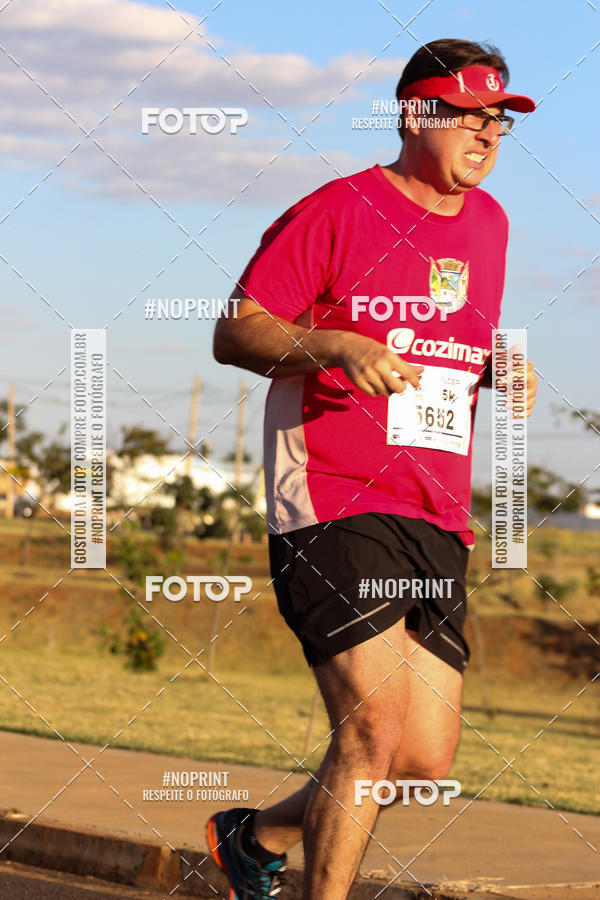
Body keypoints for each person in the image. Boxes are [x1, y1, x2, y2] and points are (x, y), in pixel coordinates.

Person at [206, 37, 538, 900]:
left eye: (499, 118)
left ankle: (258, 837)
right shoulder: (337, 210)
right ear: (414, 114)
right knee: (372, 732)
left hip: (434, 511)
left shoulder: (492, 225)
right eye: (469, 115)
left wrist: (497, 366)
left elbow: (451, 340)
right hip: (331, 495)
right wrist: (336, 345)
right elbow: (237, 331)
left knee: (421, 760)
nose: (489, 132)